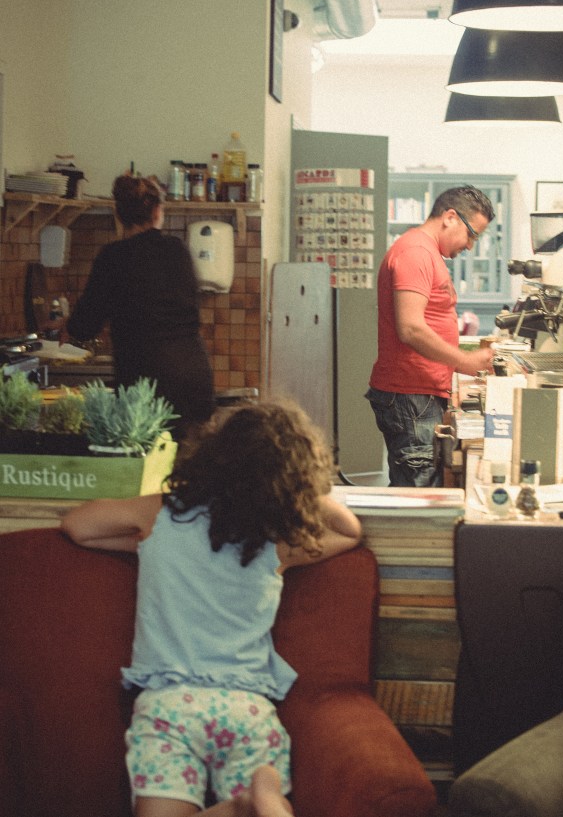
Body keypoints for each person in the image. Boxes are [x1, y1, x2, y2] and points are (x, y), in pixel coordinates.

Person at [61, 399, 362, 817]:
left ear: (208, 456)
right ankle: (260, 795)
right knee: (265, 777)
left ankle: (240, 808)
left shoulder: (161, 515)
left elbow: (79, 527)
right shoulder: (277, 541)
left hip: (169, 706)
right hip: (246, 706)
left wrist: (150, 543)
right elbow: (349, 532)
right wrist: (300, 492)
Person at [63, 174, 214, 438]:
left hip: (146, 380)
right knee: (192, 459)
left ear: (118, 214)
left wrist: (64, 325)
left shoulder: (112, 258)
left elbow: (84, 326)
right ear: (157, 212)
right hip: (194, 374)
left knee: (147, 465)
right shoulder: (178, 249)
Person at [366, 185, 496, 488]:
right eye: (472, 234)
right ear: (450, 217)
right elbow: (410, 328)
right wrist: (464, 361)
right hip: (411, 396)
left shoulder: (426, 252)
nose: (470, 246)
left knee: (414, 487)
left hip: (419, 394)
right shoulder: (415, 252)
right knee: (418, 496)